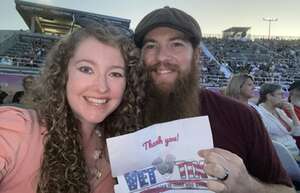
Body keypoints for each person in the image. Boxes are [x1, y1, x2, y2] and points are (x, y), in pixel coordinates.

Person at [134, 6, 295, 193]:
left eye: (176, 44)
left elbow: (287, 190)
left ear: (196, 56)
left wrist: (248, 186)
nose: (162, 57)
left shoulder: (240, 115)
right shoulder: (120, 115)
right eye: (151, 46)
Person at [0, 24, 144, 193]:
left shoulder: (118, 149)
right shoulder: (17, 129)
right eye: (86, 69)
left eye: (115, 74)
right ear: (63, 74)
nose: (102, 88)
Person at [257, 83, 300, 158]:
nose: (283, 97)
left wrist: (292, 113)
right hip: (281, 155)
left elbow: (298, 132)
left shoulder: (279, 111)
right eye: (280, 94)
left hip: (293, 151)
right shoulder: (259, 113)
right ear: (269, 96)